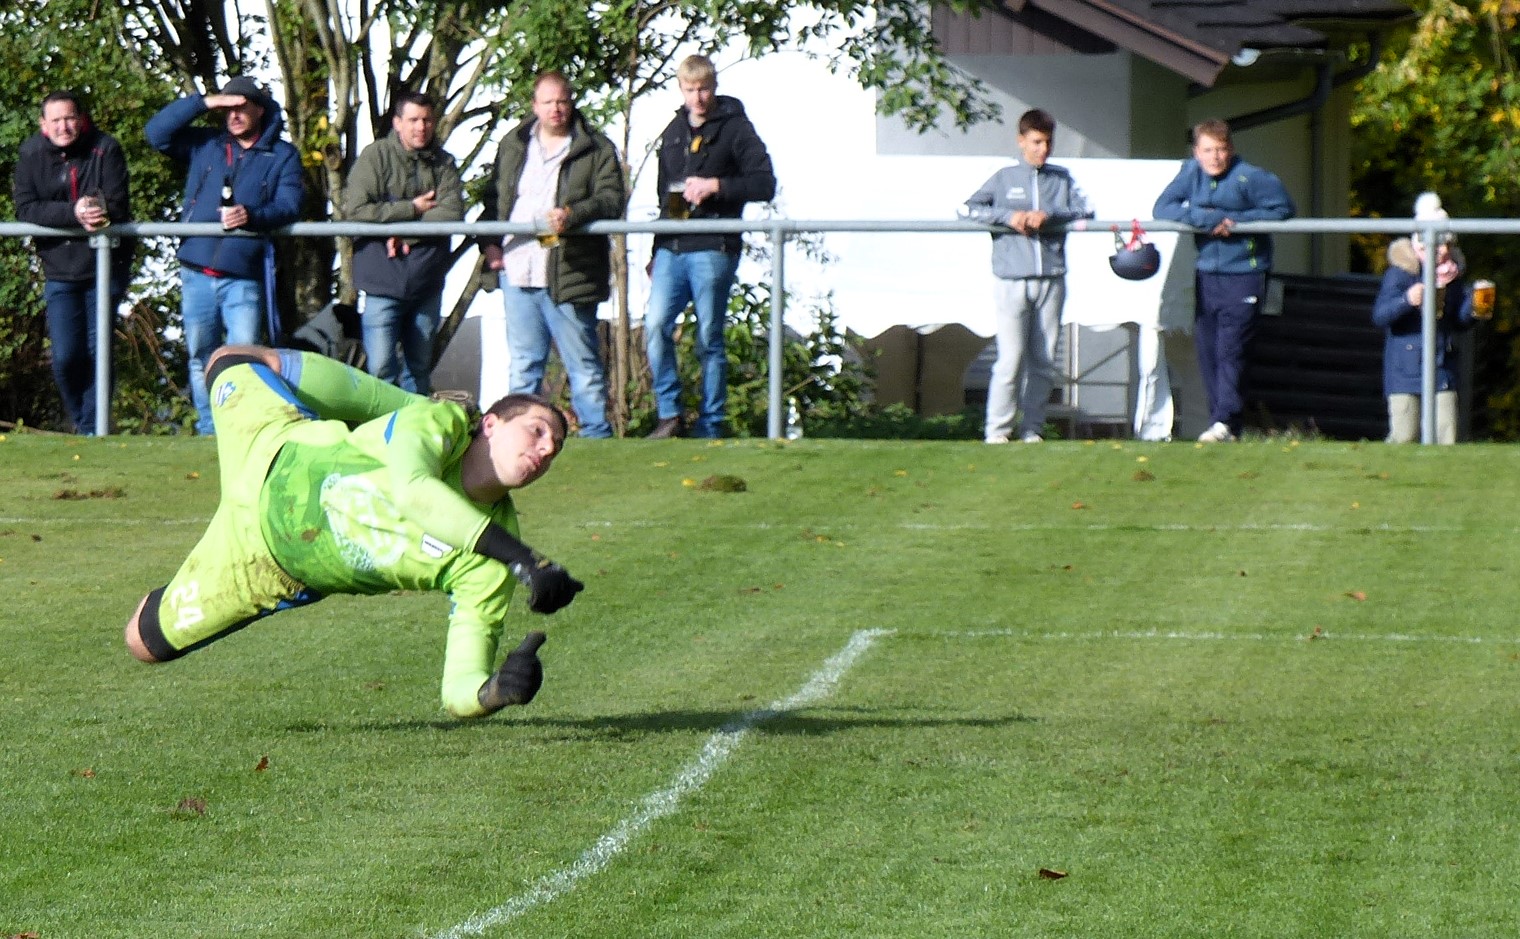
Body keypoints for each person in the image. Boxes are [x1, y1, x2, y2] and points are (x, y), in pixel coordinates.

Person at [122, 344, 585, 718]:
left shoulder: (489, 563)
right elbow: (414, 492)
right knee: (230, 359)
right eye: (537, 431)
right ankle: (368, 408)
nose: (547, 449)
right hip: (267, 439)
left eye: (556, 448)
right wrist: (525, 558)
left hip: (261, 564)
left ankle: (186, 580)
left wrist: (494, 692)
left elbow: (458, 690)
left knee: (143, 642)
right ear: (490, 424)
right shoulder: (436, 421)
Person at [146, 76, 305, 435]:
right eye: (228, 108)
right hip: (196, 271)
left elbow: (290, 205)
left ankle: (239, 432)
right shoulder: (207, 145)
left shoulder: (283, 156)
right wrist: (204, 102)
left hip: (243, 276)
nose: (233, 115)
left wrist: (252, 215)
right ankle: (209, 431)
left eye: (241, 107)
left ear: (260, 110)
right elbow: (156, 134)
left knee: (243, 359)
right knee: (200, 356)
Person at [478, 71, 625, 438]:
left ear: (571, 103)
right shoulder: (513, 145)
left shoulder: (596, 148)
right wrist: (489, 243)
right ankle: (518, 438)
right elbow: (494, 199)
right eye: (548, 102)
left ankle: (596, 438)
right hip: (518, 268)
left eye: (561, 101)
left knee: (583, 365)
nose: (555, 109)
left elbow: (611, 199)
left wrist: (572, 215)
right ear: (534, 106)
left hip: (569, 270)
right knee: (524, 366)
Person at [643, 54, 775, 438]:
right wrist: (655, 251)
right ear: (680, 89)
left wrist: (716, 186)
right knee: (655, 326)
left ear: (713, 87)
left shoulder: (737, 129)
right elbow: (665, 197)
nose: (697, 98)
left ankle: (711, 423)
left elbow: (765, 183)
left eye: (703, 89)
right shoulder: (673, 130)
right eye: (690, 90)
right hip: (672, 247)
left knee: (708, 339)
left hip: (714, 247)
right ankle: (669, 415)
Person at [1153, 118, 1294, 442]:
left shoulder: (1252, 177)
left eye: (1220, 149)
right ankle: (1225, 424)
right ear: (1196, 151)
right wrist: (1206, 219)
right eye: (1207, 150)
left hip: (1246, 273)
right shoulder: (1191, 172)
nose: (1214, 157)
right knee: (1208, 350)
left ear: (1230, 149)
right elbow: (1163, 207)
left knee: (1232, 349)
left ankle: (1224, 421)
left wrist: (1237, 221)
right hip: (1207, 273)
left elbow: (1282, 209)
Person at [961, 108, 1092, 444]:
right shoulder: (1003, 178)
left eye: (1047, 142)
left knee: (1044, 362)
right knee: (1010, 360)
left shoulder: (1062, 178)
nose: (1042, 149)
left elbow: (1087, 209)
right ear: (1021, 141)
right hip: (1010, 279)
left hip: (1052, 278)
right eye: (1036, 142)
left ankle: (1033, 430)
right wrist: (1009, 217)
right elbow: (966, 208)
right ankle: (997, 432)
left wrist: (1049, 215)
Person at [13, 90, 133, 435]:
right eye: (56, 120)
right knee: (65, 357)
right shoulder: (31, 154)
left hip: (105, 267)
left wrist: (97, 211)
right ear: (43, 125)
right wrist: (74, 212)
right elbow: (26, 208)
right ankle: (84, 422)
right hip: (59, 270)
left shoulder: (105, 148)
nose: (63, 127)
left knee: (99, 352)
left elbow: (117, 203)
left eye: (69, 118)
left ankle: (94, 429)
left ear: (80, 119)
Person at [343, 91, 464, 395]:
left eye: (427, 120)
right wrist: (411, 209)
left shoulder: (444, 163)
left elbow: (451, 213)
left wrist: (402, 232)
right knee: (380, 368)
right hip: (382, 282)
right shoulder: (375, 156)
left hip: (426, 282)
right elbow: (356, 210)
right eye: (413, 120)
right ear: (397, 123)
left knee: (419, 369)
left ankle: (415, 421)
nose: (421, 127)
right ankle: (383, 421)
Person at [1371, 192, 1479, 445]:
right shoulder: (1401, 273)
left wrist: (1475, 308)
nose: (1444, 251)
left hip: (1442, 368)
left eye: (1448, 245)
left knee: (1446, 436)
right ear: (1421, 243)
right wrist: (1407, 300)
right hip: (1405, 369)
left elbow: (1458, 322)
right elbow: (1380, 316)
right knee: (1404, 436)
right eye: (1439, 244)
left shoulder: (1453, 276)